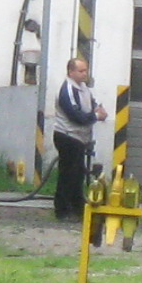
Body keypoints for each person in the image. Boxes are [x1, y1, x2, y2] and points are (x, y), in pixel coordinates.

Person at [50, 56, 108, 222]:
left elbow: (92, 103)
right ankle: (62, 209)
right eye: (81, 71)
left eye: (86, 70)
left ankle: (77, 207)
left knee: (77, 174)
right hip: (67, 136)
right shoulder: (67, 89)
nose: (85, 74)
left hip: (79, 138)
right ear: (71, 72)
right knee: (68, 174)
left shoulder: (83, 88)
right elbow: (76, 116)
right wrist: (97, 115)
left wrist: (99, 110)